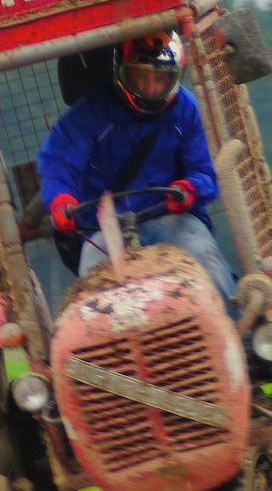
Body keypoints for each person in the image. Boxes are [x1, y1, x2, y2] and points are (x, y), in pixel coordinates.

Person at [37, 32, 238, 298]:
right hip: (105, 230)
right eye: (141, 77)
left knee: (204, 256)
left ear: (175, 78)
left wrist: (190, 189)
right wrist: (61, 200)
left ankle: (240, 334)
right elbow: (59, 165)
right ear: (121, 72)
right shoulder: (89, 115)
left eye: (161, 79)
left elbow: (204, 170)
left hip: (171, 219)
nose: (151, 88)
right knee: (92, 291)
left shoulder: (187, 110)